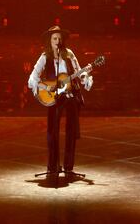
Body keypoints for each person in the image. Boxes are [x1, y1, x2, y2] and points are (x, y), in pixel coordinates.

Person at [28, 25, 93, 179]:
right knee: (53, 131)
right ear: (49, 41)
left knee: (71, 131)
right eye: (54, 39)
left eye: (59, 39)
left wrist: (85, 74)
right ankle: (53, 167)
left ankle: (69, 167)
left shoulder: (69, 54)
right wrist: (46, 87)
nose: (57, 41)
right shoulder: (45, 56)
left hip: (70, 96)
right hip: (54, 97)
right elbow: (33, 78)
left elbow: (78, 72)